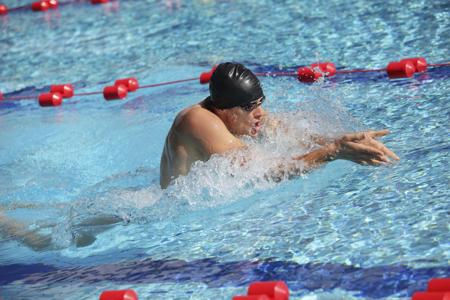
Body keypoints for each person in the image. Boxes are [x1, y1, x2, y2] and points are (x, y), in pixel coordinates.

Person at [160, 62, 399, 188]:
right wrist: (332, 152)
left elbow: (290, 134)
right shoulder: (200, 123)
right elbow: (264, 173)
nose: (260, 114)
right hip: (171, 218)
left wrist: (345, 141)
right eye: (251, 108)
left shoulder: (233, 109)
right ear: (225, 111)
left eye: (260, 104)